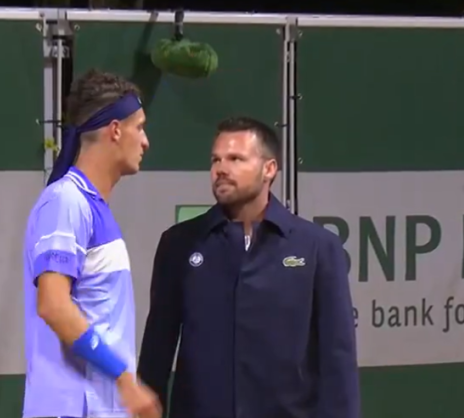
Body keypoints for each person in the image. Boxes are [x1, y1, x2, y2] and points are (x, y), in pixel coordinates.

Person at [138, 116, 360, 418]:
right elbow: (157, 346)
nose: (221, 169)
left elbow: (337, 359)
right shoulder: (179, 243)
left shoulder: (318, 247)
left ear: (269, 169)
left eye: (236, 159)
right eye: (216, 160)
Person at [22, 69, 161, 418]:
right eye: (140, 127)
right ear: (115, 130)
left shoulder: (89, 206)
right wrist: (125, 378)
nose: (146, 142)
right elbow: (53, 305)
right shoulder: (66, 201)